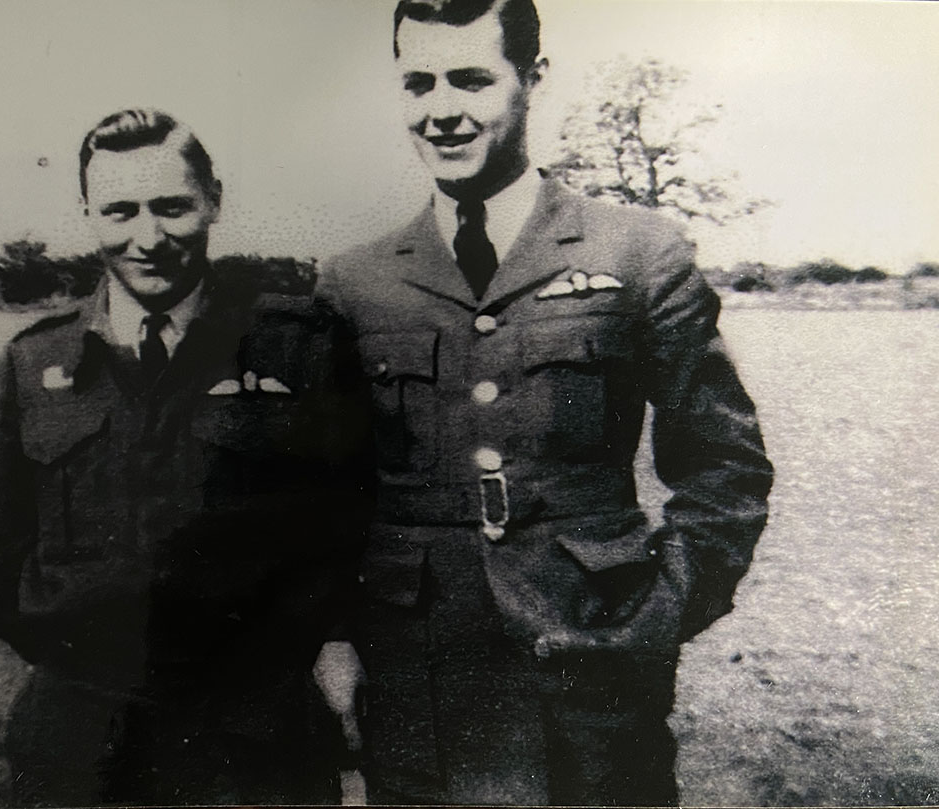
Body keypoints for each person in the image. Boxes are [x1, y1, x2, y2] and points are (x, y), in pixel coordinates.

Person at [312, 0, 775, 804]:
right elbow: (323, 495)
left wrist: (658, 617)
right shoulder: (357, 282)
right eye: (418, 83)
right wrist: (334, 637)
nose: (442, 110)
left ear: (533, 78)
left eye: (471, 79)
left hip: (591, 679)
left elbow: (724, 467)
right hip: (421, 687)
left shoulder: (638, 252)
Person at [0, 107, 360, 806]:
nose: (147, 238)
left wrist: (294, 651)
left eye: (172, 207)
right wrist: (79, 654)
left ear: (214, 201)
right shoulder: (36, 359)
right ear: (87, 213)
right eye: (120, 211)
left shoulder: (298, 344)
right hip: (81, 741)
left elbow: (351, 521)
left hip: (252, 740)